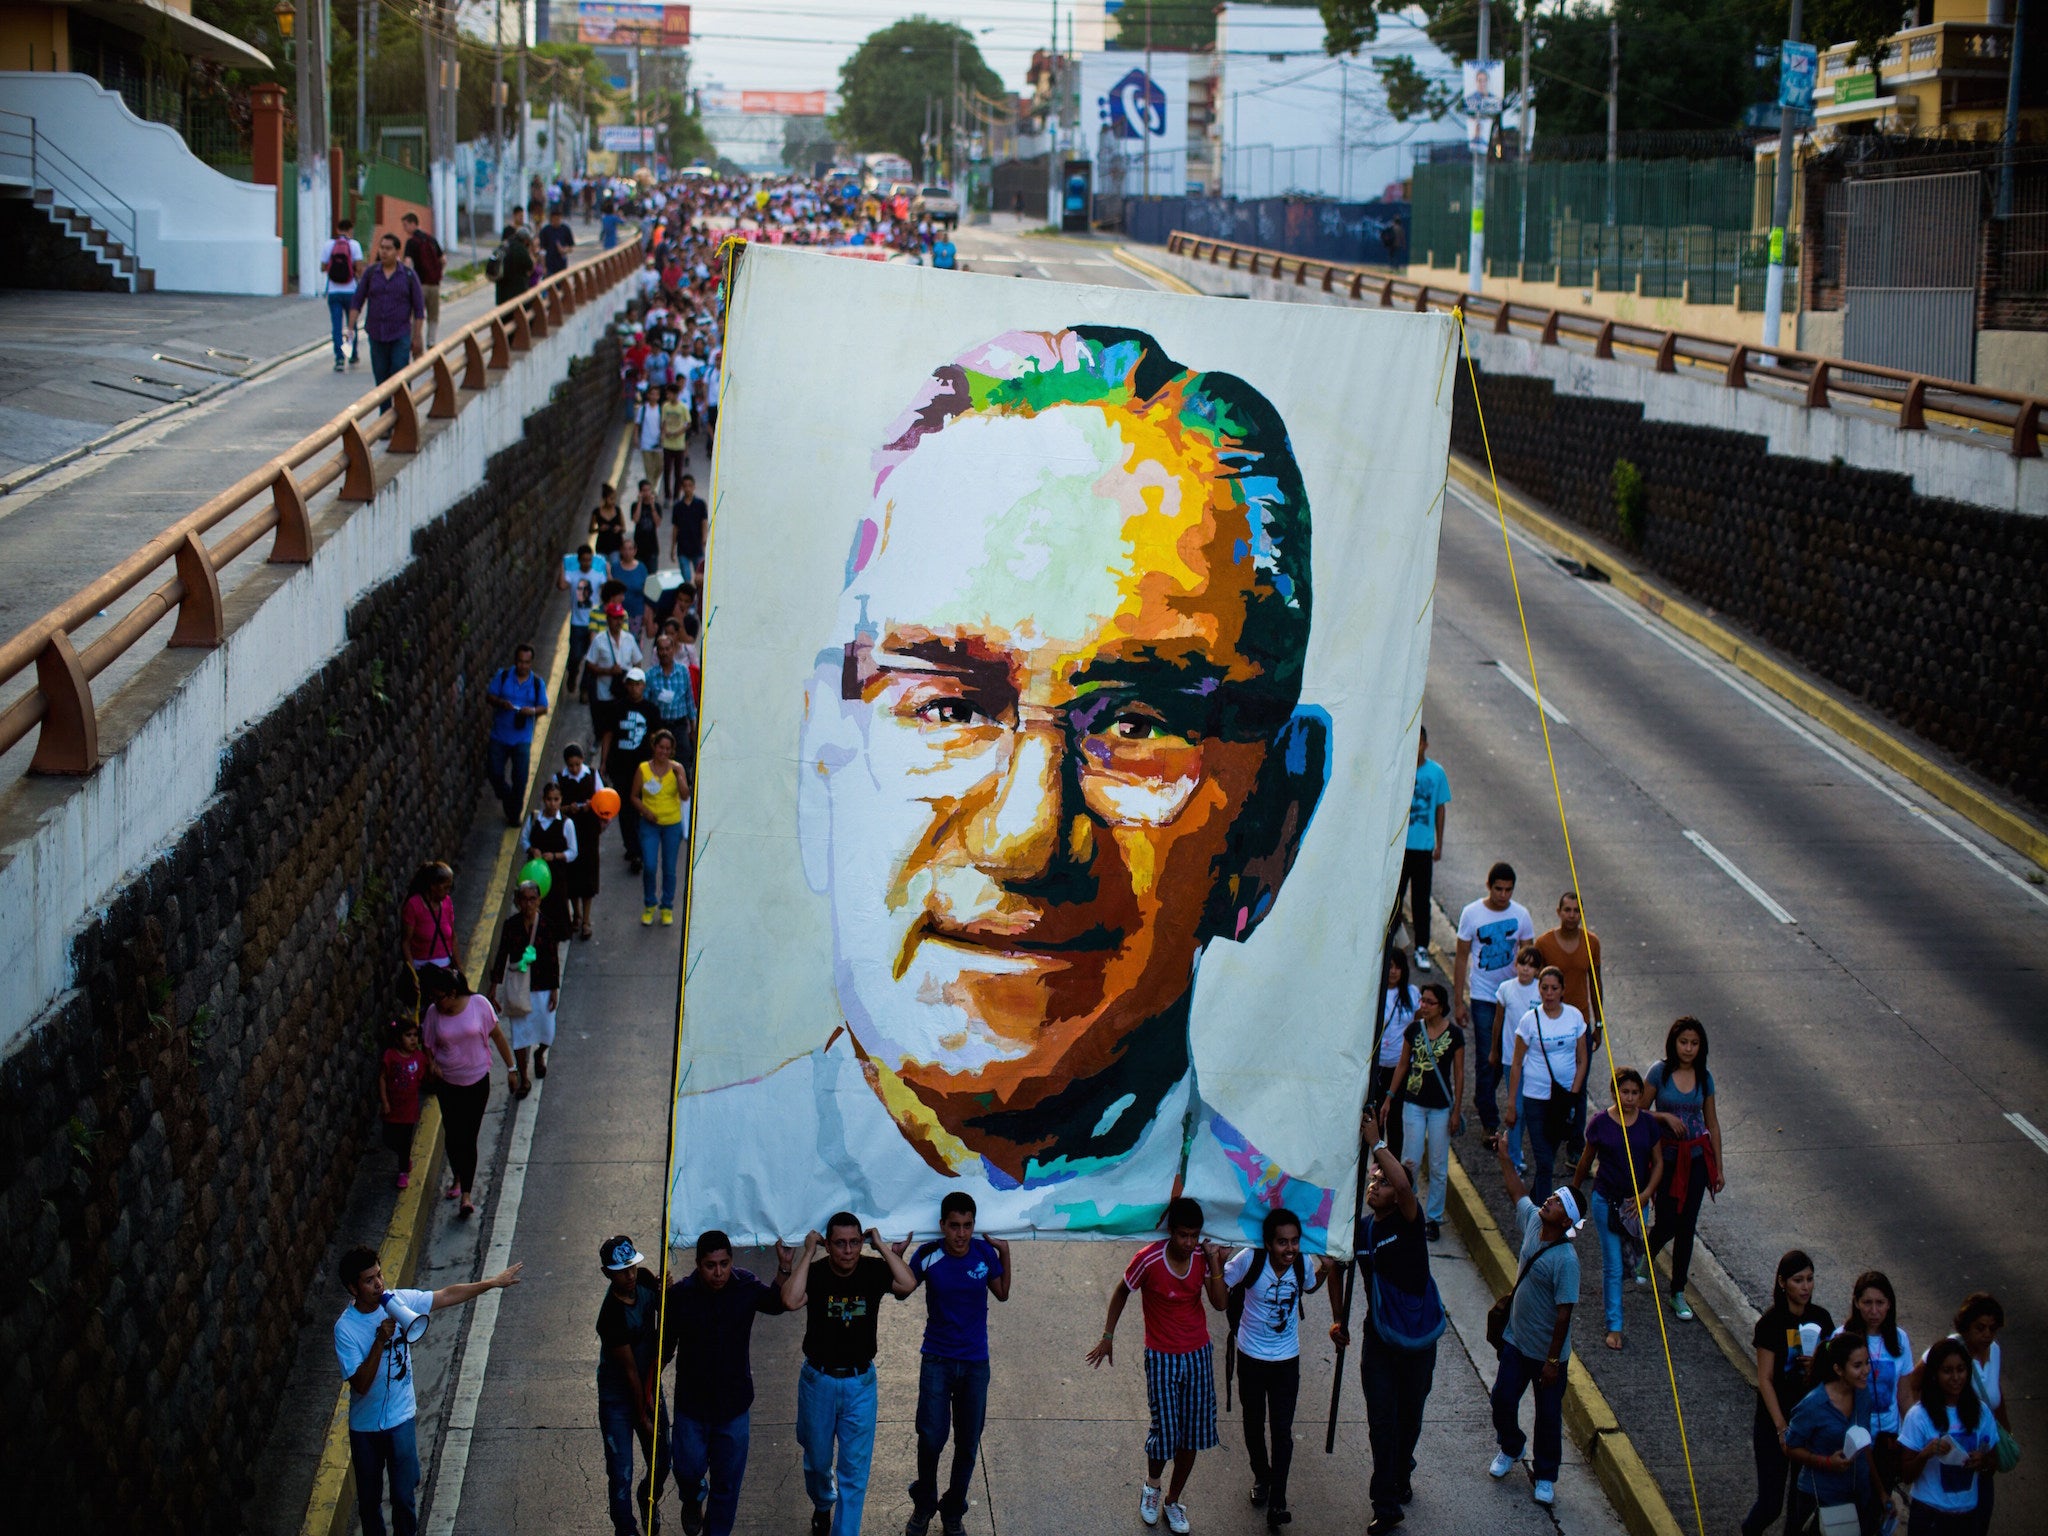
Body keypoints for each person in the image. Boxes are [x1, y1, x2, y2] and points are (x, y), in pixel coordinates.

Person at [680, 326, 1339, 1244]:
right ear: (822, 764)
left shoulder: (1297, 1235)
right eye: (949, 708)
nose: (1026, 837)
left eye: (1135, 724)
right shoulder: (701, 1182)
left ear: (1271, 827)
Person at [334, 1245, 522, 1536]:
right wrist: (380, 1341)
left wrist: (491, 1284)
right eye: (369, 1280)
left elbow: (445, 1295)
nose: (379, 1284)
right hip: (365, 1428)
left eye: (379, 1275)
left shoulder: (400, 1301)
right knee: (369, 1503)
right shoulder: (345, 1329)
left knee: (403, 1498)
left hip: (401, 1419)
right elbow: (359, 1383)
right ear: (352, 1287)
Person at [1086, 1196, 1229, 1535]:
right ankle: (1152, 1487)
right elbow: (1122, 1291)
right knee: (1164, 1432)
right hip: (1162, 1357)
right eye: (1183, 1235)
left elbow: (1220, 1304)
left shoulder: (1201, 1258)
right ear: (1171, 1232)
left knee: (1192, 1435)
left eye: (1195, 1235)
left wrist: (1215, 1262)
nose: (1189, 1242)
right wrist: (1108, 1335)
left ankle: (1172, 1500)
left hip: (1197, 1356)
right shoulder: (1148, 1259)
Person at [1331, 1110, 1443, 1535]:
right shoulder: (1359, 1230)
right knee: (1382, 1420)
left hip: (1417, 1339)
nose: (1374, 1187)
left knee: (1409, 1417)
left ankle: (1402, 1469)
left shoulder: (1410, 1221)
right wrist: (1338, 1318)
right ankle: (1386, 1502)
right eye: (1372, 1182)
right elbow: (1336, 1265)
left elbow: (1401, 1183)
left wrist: (1377, 1141)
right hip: (1377, 1339)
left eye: (1381, 1183)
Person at [777, 1215, 918, 1536]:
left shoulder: (873, 1270)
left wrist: (883, 1248)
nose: (848, 1250)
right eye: (839, 1243)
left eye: (855, 1242)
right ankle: (823, 1503)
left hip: (860, 1384)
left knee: (854, 1473)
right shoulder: (815, 1273)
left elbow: (907, 1284)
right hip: (818, 1382)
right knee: (816, 1462)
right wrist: (807, 1253)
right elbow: (789, 1300)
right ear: (828, 1244)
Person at [665, 1231, 797, 1536]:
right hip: (692, 1407)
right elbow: (666, 1343)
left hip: (734, 1406)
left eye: (724, 1263)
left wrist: (784, 1266)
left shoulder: (745, 1286)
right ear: (698, 1264)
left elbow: (776, 1303)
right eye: (711, 1265)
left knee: (727, 1483)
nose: (719, 1272)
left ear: (731, 1262)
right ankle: (691, 1498)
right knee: (686, 1469)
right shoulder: (681, 1295)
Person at [897, 1192, 1012, 1536]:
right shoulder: (929, 1255)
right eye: (955, 1226)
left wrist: (1005, 1252)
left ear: (974, 1225)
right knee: (931, 1438)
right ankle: (924, 1504)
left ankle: (953, 1511)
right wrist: (897, 1258)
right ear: (942, 1226)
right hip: (937, 1359)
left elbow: (1002, 1293)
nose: (961, 1234)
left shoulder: (982, 1252)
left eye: (967, 1226)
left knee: (967, 1441)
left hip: (975, 1363)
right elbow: (903, 1291)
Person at [1483, 1130, 1581, 1508]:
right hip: (1515, 1341)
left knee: (1549, 1416)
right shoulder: (1536, 1223)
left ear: (1566, 1219)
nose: (1548, 1200)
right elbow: (1515, 1191)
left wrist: (1553, 1361)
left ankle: (1545, 1474)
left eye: (1556, 1201)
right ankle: (1511, 1446)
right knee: (1502, 1399)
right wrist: (1505, 1155)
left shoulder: (1566, 1261)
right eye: (1552, 1196)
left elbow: (1564, 1313)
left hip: (1547, 1356)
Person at [1221, 1207, 1329, 1531]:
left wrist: (1327, 1269)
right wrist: (1213, 1258)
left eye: (1295, 1241)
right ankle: (1262, 1477)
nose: (1290, 1249)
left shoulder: (1300, 1262)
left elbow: (1310, 1285)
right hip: (1251, 1358)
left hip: (1287, 1361)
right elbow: (1220, 1285)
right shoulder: (1248, 1260)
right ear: (1268, 1243)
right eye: (1282, 1242)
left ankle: (1278, 1501)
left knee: (1282, 1432)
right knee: (1253, 1425)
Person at [1569, 1067, 1663, 1351]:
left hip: (1636, 1204)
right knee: (1612, 1264)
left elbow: (1658, 1162)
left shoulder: (1648, 1123)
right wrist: (1573, 1196)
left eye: (1636, 1093)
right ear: (1614, 1092)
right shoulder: (1600, 1123)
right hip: (1605, 1201)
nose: (1631, 1098)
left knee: (1629, 1261)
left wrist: (1646, 1194)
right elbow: (1586, 1162)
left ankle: (1615, 1302)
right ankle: (1615, 1325)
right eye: (1625, 1092)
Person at [1742, 1250, 1835, 1536]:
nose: (1805, 1287)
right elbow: (1766, 1379)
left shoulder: (1821, 1319)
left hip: (1810, 1426)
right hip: (1775, 1425)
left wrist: (1819, 1364)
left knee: (1800, 1506)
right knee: (1771, 1504)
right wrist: (1782, 1427)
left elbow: (1834, 1372)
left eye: (1810, 1279)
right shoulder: (1771, 1324)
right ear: (1783, 1283)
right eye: (1798, 1280)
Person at [1642, 1016, 1723, 1322]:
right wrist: (1665, 1118)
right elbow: (1641, 1112)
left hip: (1697, 1159)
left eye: (1694, 1043)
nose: (1688, 1049)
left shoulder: (1705, 1077)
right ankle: (1645, 1254)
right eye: (1683, 1042)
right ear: (1673, 1043)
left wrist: (1719, 1168)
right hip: (1666, 1160)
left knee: (1687, 1226)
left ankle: (1677, 1291)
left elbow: (1712, 1123)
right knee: (1667, 1221)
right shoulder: (1659, 1072)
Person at [595, 1235, 672, 1536]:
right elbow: (629, 1374)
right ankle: (625, 1528)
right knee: (620, 1471)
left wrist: (667, 1292)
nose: (629, 1276)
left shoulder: (645, 1281)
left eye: (632, 1268)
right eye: (621, 1271)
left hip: (650, 1382)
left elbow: (666, 1321)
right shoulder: (610, 1316)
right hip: (620, 1396)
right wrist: (643, 1417)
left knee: (662, 1458)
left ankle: (648, 1495)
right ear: (607, 1273)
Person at [421, 969, 513, 1217]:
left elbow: (497, 1036)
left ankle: (467, 1195)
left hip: (477, 1081)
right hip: (447, 1083)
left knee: (468, 1137)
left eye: (440, 998)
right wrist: (432, 1064)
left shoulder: (478, 1005)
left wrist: (511, 1068)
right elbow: (428, 1044)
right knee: (453, 1134)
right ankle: (458, 1176)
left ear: (453, 993)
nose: (437, 1003)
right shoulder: (433, 1013)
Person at [1453, 863, 1534, 1136]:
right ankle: (1489, 1120)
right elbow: (1462, 956)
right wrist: (1458, 1001)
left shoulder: (1521, 914)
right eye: (1498, 889)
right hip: (1483, 995)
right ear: (1489, 886)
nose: (1503, 895)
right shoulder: (1472, 913)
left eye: (1508, 890)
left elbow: (1530, 956)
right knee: (1487, 1054)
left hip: (1512, 997)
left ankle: (1483, 1096)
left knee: (1505, 1055)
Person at [1380, 982, 1463, 1240]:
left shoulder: (1455, 1035)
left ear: (1441, 1006)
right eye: (1422, 1001)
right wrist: (1389, 1097)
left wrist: (1456, 1110)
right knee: (1410, 1162)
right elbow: (1403, 1066)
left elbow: (1459, 1075)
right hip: (1413, 1103)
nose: (1424, 1006)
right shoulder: (1414, 1031)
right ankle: (1409, 1209)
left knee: (1438, 1166)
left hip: (1440, 1108)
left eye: (1429, 1002)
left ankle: (1434, 1218)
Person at [1782, 1332, 1879, 1536]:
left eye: (1867, 1363)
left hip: (1858, 1494)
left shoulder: (1863, 1395)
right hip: (1821, 1497)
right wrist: (1826, 1462)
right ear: (1838, 1369)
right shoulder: (1813, 1405)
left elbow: (1865, 1444)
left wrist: (1881, 1491)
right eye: (1857, 1365)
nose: (1866, 1371)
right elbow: (1790, 1447)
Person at [1532, 891, 1603, 1163]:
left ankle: (1576, 1143)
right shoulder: (1544, 943)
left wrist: (1598, 1023)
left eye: (1576, 910)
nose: (1572, 915)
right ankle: (1548, 1134)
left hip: (1581, 1024)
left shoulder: (1591, 942)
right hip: (1550, 1022)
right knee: (1549, 1080)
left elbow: (1596, 984)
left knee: (1579, 1085)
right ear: (1558, 912)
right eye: (1568, 910)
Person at [1899, 1337, 1996, 1536]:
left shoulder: (1982, 1412)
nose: (1955, 1377)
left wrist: (1983, 1460)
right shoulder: (1919, 1416)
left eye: (1961, 1369)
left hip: (1968, 1515)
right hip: (1929, 1516)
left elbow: (1994, 1461)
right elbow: (1906, 1474)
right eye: (1947, 1371)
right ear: (1934, 1374)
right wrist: (1925, 1454)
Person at [1503, 966, 1588, 1187]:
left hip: (1563, 1099)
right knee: (1544, 1160)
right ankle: (1543, 1210)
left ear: (1563, 990)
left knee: (1549, 1152)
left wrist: (1574, 1093)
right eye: (1544, 988)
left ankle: (1539, 1208)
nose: (1549, 993)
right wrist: (1512, 1103)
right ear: (1538, 990)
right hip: (1535, 1097)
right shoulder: (1529, 1020)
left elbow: (1582, 1059)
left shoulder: (1575, 1017)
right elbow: (1517, 1063)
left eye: (1554, 988)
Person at [1935, 1292, 2007, 1535]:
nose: (1987, 1334)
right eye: (1981, 1327)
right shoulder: (1951, 1350)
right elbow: (1916, 1384)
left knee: (1980, 1518)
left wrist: (2005, 1430)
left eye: (1992, 1329)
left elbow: (1994, 1391)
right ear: (1965, 1327)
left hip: (1983, 1452)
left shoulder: (1994, 1350)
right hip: (1953, 1451)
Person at [489, 877, 563, 1097]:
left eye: (533, 899)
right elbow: (502, 955)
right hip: (519, 988)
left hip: (542, 986)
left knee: (547, 1033)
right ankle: (524, 1077)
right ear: (518, 901)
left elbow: (552, 958)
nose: (529, 904)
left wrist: (554, 989)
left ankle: (539, 1054)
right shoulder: (510, 926)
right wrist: (494, 986)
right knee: (520, 1035)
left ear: (539, 900)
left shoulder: (547, 925)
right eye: (524, 899)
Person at [1837, 1271, 1913, 1484]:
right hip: (1852, 1439)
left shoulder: (1900, 1339)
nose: (1874, 1311)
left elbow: (1905, 1394)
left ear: (1890, 1304)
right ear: (1857, 1303)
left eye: (1880, 1303)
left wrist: (1910, 1436)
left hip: (1887, 1441)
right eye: (1867, 1302)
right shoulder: (1841, 1337)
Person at [1396, 727, 1450, 969]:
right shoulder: (1398, 768)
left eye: (1419, 743)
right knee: (1394, 897)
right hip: (1399, 849)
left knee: (1421, 900)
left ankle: (1421, 947)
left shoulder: (1436, 773)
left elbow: (1440, 808)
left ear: (1425, 745)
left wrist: (1439, 843)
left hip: (1422, 848)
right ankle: (1392, 941)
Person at [350, 233, 427, 388]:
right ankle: (385, 412)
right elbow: (357, 301)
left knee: (400, 375)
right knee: (381, 381)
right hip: (376, 334)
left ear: (397, 251)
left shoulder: (408, 275)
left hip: (400, 334)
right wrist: (350, 328)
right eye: (382, 248)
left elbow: (419, 310)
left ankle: (404, 411)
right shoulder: (371, 274)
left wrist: (417, 337)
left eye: (389, 249)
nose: (384, 252)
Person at [485, 643, 550, 826]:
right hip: (500, 735)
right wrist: (501, 703)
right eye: (520, 662)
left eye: (527, 662)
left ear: (531, 663)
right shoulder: (503, 676)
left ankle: (514, 815)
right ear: (515, 661)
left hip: (522, 738)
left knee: (520, 779)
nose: (523, 666)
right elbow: (489, 696)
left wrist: (531, 711)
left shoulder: (537, 683)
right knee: (494, 772)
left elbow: (544, 707)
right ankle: (508, 798)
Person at [630, 728, 689, 926]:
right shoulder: (643, 769)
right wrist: (645, 811)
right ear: (654, 747)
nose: (663, 752)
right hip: (650, 824)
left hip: (672, 824)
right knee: (649, 865)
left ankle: (667, 906)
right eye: (660, 747)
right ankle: (649, 905)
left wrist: (680, 776)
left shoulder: (677, 768)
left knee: (670, 869)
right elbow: (633, 796)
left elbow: (685, 795)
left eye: (667, 749)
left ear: (671, 751)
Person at [1491, 946, 1543, 1170]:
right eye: (1523, 963)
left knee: (1524, 1111)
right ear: (1516, 964)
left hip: (1533, 1060)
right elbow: (1498, 1022)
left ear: (1537, 970)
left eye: (1531, 965)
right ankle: (1512, 1157)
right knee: (1516, 1109)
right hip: (1510, 1059)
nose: (1526, 969)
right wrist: (1494, 1049)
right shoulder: (1505, 989)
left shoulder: (1540, 991)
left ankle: (1512, 1148)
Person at [600, 666, 655, 873]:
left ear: (644, 686)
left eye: (638, 685)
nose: (634, 689)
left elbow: (656, 741)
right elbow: (608, 735)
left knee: (640, 809)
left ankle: (637, 848)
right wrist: (604, 762)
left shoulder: (651, 710)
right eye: (631, 685)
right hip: (620, 767)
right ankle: (633, 849)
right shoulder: (617, 708)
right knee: (624, 810)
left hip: (643, 770)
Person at [554, 744, 606, 940]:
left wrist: (589, 805)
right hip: (569, 832)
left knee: (588, 873)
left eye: (577, 764)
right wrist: (568, 808)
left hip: (588, 831)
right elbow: (556, 806)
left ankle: (586, 919)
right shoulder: (559, 779)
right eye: (571, 765)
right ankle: (575, 913)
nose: (575, 769)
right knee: (571, 874)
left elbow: (601, 799)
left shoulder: (592, 775)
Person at [1374, 948, 1419, 1158]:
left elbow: (1417, 1025)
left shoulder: (1412, 994)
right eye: (1390, 966)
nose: (1393, 972)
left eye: (1398, 967)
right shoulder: (1375, 991)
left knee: (1395, 1119)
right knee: (1376, 1118)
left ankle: (1392, 1168)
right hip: (1378, 1066)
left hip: (1401, 1067)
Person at [378, 1020, 429, 1190]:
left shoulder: (419, 1058)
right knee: (388, 1139)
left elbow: (425, 1077)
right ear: (399, 1039)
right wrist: (385, 1101)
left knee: (406, 1140)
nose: (413, 1040)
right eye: (408, 1036)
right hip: (392, 1107)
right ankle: (403, 1156)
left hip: (409, 1110)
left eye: (415, 1035)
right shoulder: (391, 1056)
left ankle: (402, 1172)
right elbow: (383, 1078)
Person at [399, 861, 459, 985]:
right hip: (423, 974)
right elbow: (406, 942)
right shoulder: (414, 906)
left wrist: (460, 969)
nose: (448, 892)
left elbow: (452, 937)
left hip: (446, 973)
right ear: (433, 886)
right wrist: (413, 975)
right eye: (445, 887)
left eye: (450, 887)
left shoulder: (447, 903)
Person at [560, 544, 609, 694]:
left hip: (594, 624)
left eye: (589, 560)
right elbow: (562, 585)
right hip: (577, 622)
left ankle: (584, 690)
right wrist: (561, 567)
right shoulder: (572, 574)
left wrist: (608, 571)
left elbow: (609, 589)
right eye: (584, 560)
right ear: (579, 560)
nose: (586, 563)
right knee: (575, 655)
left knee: (591, 659)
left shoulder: (598, 574)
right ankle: (572, 674)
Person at [323, 216, 364, 371]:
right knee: (351, 324)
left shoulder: (329, 245)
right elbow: (359, 269)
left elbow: (323, 266)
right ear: (350, 230)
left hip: (334, 291)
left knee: (336, 326)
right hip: (351, 291)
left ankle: (340, 359)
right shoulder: (354, 245)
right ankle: (352, 354)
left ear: (338, 229)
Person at [399, 212, 445, 345]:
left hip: (419, 285)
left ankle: (415, 340)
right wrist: (437, 273)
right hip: (434, 284)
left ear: (413, 223)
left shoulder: (411, 242)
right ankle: (431, 341)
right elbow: (443, 260)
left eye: (406, 225)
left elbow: (407, 263)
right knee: (433, 316)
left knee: (417, 315)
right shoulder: (431, 239)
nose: (404, 228)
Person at [670, 471, 708, 578]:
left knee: (700, 577)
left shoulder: (700, 504)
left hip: (697, 546)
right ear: (682, 488)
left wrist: (704, 538)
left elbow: (704, 522)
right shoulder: (678, 506)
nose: (687, 488)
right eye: (685, 486)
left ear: (694, 487)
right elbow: (675, 527)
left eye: (690, 486)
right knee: (686, 577)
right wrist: (673, 547)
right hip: (682, 547)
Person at [661, 384, 692, 503]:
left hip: (679, 445)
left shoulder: (683, 408)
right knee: (667, 471)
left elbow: (688, 423)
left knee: (678, 473)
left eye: (669, 393)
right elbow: (663, 422)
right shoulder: (665, 407)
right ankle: (667, 496)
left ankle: (676, 496)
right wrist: (664, 433)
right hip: (667, 444)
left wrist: (678, 432)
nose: (668, 395)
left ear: (675, 394)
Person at [493, 220, 535, 305]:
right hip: (517, 295)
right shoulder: (521, 250)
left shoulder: (504, 245)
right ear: (526, 240)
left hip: (501, 294)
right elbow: (531, 267)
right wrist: (531, 251)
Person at [637, 383, 665, 493]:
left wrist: (662, 436)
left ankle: (651, 488)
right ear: (648, 395)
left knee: (659, 467)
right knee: (649, 470)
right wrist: (636, 437)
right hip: (646, 443)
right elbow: (637, 424)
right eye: (652, 394)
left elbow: (663, 424)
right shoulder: (643, 409)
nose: (654, 396)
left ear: (658, 396)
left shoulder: (660, 409)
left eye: (656, 394)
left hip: (657, 443)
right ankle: (651, 493)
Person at [591, 482, 629, 561]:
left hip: (615, 545)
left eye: (614, 498)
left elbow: (624, 528)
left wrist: (619, 528)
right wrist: (599, 529)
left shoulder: (617, 510)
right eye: (611, 499)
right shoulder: (597, 512)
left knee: (615, 565)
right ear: (605, 499)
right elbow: (591, 530)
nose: (613, 501)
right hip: (602, 545)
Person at [539, 206, 576, 276]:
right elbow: (542, 249)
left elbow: (571, 247)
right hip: (549, 263)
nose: (557, 221)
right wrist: (543, 266)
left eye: (558, 219)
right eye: (554, 219)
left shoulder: (565, 229)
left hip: (561, 263)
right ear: (551, 219)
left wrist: (564, 250)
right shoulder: (545, 231)